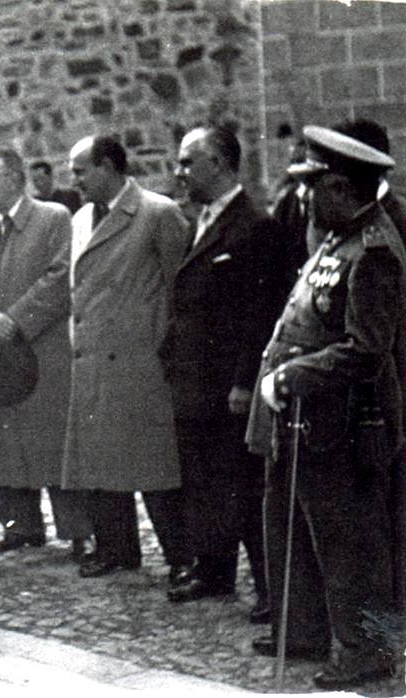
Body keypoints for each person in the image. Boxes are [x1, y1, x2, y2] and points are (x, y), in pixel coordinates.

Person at [246, 125, 406, 690]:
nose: (306, 197)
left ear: (340, 188)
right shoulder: (339, 240)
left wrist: (293, 374)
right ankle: (308, 630)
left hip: (344, 423)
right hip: (308, 418)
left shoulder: (376, 252)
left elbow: (367, 349)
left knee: (351, 543)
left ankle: (370, 652)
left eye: (315, 186)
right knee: (305, 529)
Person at [160, 126, 288, 622]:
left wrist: (243, 381)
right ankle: (214, 571)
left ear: (218, 163)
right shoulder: (203, 220)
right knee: (204, 485)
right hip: (193, 382)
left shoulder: (255, 226)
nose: (179, 172)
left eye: (188, 162)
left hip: (227, 386)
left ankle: (269, 589)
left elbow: (259, 312)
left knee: (244, 486)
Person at [60, 135, 193, 581]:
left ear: (109, 167)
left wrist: (165, 352)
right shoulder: (81, 219)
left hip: (141, 362)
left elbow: (181, 293)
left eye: (80, 170)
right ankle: (116, 548)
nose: (73, 179)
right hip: (93, 358)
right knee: (100, 464)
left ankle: (181, 556)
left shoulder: (157, 213)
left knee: (155, 467)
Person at [0, 146, 90, 561]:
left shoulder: (53, 219)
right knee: (3, 441)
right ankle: (19, 527)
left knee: (52, 440)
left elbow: (61, 275)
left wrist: (15, 319)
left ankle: (77, 532)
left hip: (43, 348)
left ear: (15, 178)